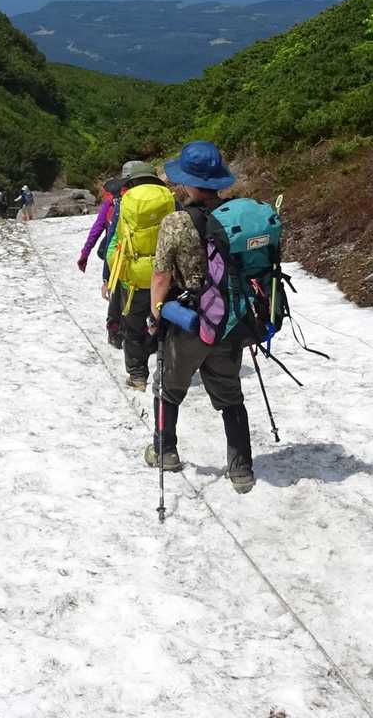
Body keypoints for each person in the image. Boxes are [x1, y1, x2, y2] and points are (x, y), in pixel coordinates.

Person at [145, 140, 256, 494]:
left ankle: (165, 451)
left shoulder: (176, 222)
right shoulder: (234, 216)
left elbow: (161, 275)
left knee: (168, 386)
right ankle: (241, 467)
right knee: (230, 394)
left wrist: (156, 312)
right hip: (229, 320)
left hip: (190, 320)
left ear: (188, 182)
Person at [103, 160, 172, 390]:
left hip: (133, 277)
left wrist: (113, 270)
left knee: (132, 328)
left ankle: (138, 376)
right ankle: (168, 372)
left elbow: (115, 238)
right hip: (165, 274)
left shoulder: (126, 201)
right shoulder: (169, 199)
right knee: (166, 324)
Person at [78, 176, 124, 345]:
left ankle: (115, 332)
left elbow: (97, 230)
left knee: (116, 293)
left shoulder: (111, 206)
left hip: (116, 257)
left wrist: (85, 254)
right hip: (140, 258)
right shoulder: (134, 202)